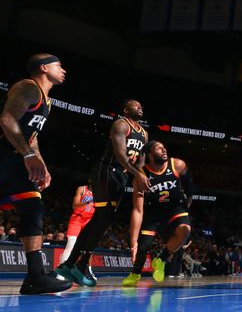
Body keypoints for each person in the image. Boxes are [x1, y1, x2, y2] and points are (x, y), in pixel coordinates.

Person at [57, 99, 150, 286]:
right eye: (135, 105)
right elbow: (121, 155)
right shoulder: (121, 124)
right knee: (104, 218)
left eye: (141, 105)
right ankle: (80, 264)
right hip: (107, 171)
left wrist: (139, 174)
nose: (140, 107)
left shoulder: (144, 134)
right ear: (125, 109)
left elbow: (140, 160)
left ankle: (69, 264)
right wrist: (137, 175)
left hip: (122, 176)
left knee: (100, 219)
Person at [0, 54, 72, 294]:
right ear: (44, 68)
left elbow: (33, 135)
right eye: (58, 65)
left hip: (16, 159)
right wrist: (28, 155)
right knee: (32, 208)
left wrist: (40, 162)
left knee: (33, 207)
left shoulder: (46, 101)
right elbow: (8, 119)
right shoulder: (28, 87)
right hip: (4, 153)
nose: (63, 70)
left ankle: (35, 277)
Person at [122, 140, 193, 286]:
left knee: (185, 230)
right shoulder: (141, 176)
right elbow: (137, 209)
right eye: (159, 148)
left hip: (175, 208)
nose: (164, 150)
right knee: (143, 246)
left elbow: (188, 180)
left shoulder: (177, 164)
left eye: (164, 147)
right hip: (153, 211)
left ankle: (161, 259)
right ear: (150, 154)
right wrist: (133, 241)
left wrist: (190, 196)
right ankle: (135, 274)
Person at [61, 181, 95, 262]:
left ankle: (86, 270)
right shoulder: (82, 189)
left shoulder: (99, 193)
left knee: (88, 247)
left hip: (89, 220)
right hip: (77, 219)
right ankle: (60, 272)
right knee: (71, 244)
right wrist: (88, 201)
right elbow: (74, 205)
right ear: (90, 180)